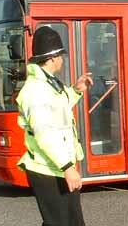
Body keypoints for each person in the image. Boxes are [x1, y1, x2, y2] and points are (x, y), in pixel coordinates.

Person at [16, 26, 93, 226]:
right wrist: (67, 167)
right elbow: (45, 134)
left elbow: (58, 107)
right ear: (51, 59)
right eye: (60, 55)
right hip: (48, 169)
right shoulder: (36, 90)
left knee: (71, 221)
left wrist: (76, 90)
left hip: (55, 167)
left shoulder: (47, 83)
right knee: (60, 222)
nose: (62, 59)